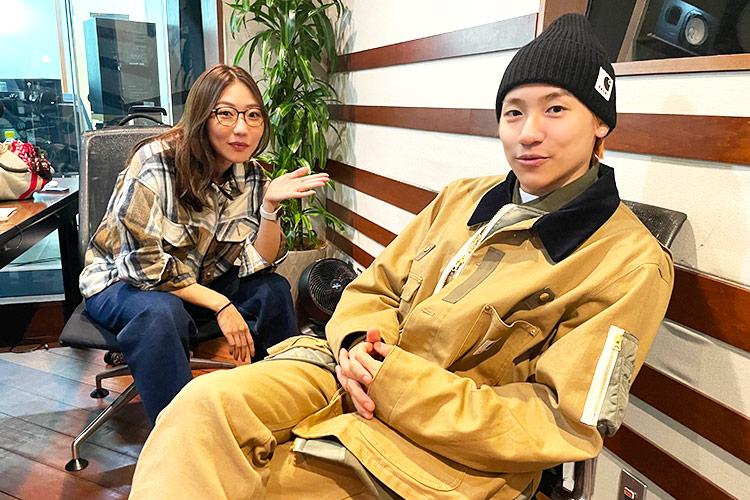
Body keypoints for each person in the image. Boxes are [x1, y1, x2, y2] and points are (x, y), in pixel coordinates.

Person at [129, 14, 674, 499]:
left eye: (555, 109)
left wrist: (392, 381)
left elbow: (564, 422)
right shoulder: (463, 197)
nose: (529, 133)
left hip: (439, 454)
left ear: (600, 122)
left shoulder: (628, 262)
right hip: (343, 373)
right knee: (195, 411)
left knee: (261, 483)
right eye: (513, 112)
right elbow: (374, 287)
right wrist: (352, 343)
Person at [78, 65, 329, 425]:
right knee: (160, 312)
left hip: (198, 281)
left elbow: (257, 263)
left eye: (253, 115)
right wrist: (221, 304)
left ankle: (285, 408)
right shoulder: (156, 162)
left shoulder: (251, 175)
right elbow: (142, 266)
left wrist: (270, 207)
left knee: (272, 289)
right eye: (226, 113)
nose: (241, 128)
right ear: (202, 116)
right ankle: (182, 436)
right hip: (121, 283)